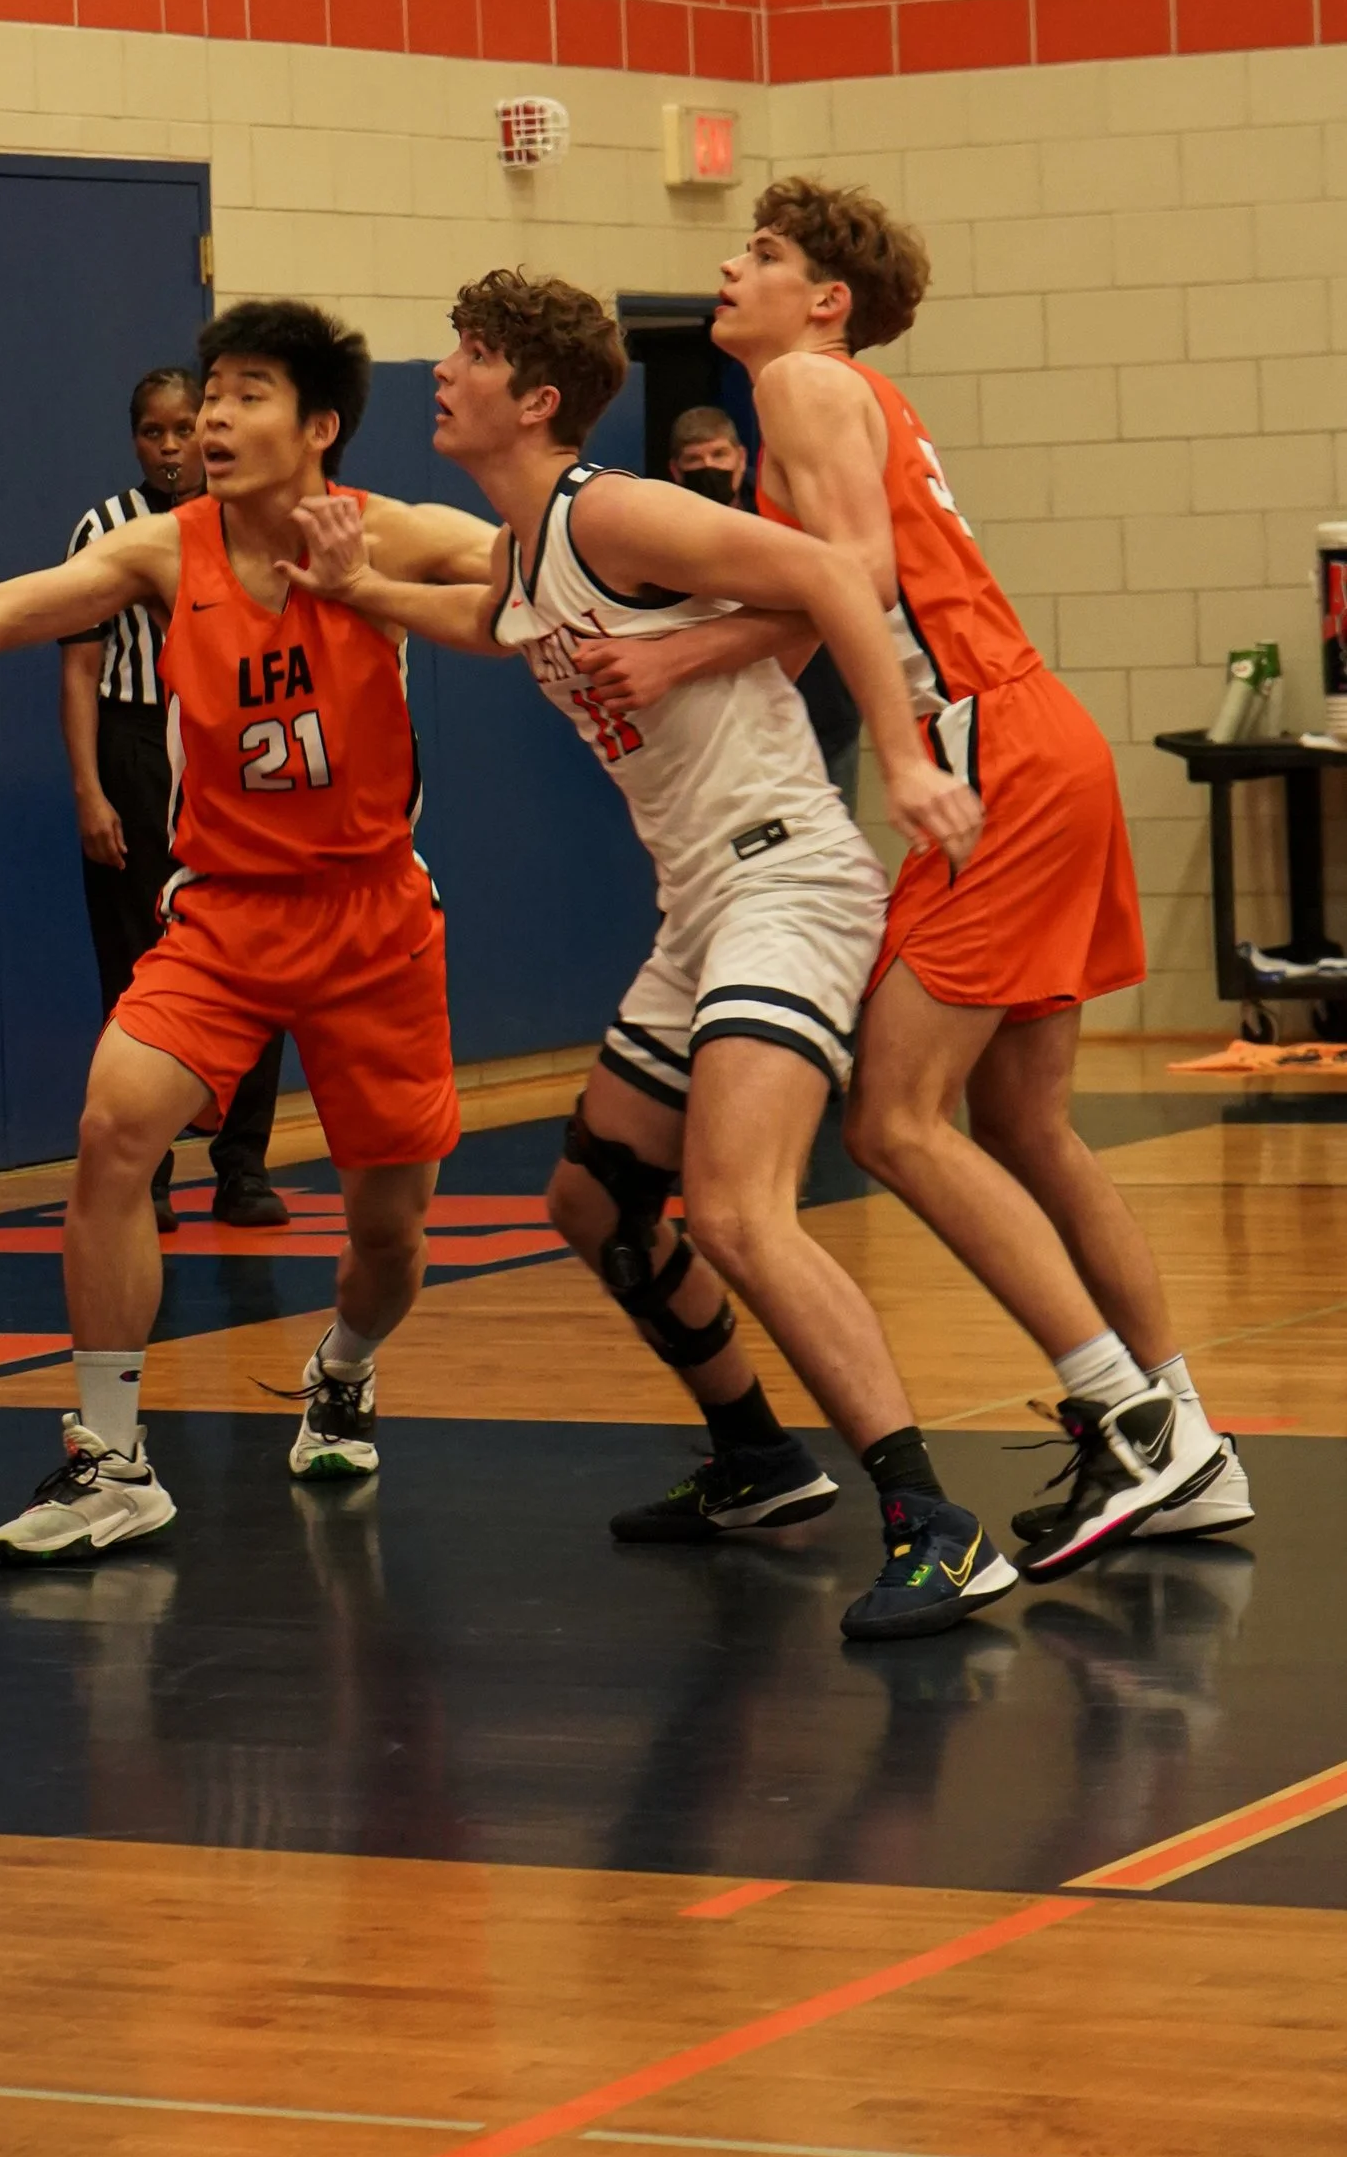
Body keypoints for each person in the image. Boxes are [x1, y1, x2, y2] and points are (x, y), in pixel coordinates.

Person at [293, 268, 1019, 1645]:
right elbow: (492, 624)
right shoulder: (525, 551)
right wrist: (362, 583)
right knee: (592, 1202)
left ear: (538, 397)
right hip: (702, 907)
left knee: (739, 1210)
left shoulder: (610, 509)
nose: (441, 370)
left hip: (787, 880)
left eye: (468, 354)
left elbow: (826, 576)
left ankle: (936, 1521)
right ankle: (757, 1458)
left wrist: (911, 762)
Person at [0, 299, 491, 1561]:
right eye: (210, 392)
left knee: (388, 1236)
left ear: (319, 427)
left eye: (248, 392)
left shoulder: (390, 534)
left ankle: (345, 1366)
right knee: (111, 1133)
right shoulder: (162, 552)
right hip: (224, 913)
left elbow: (535, 564)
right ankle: (111, 1460)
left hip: (372, 920)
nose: (213, 414)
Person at [705, 178, 1243, 1566]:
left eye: (759, 254)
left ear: (826, 300)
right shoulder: (846, 398)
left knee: (894, 1117)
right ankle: (1184, 1433)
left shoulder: (801, 385)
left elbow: (858, 576)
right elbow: (839, 586)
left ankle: (1135, 1425)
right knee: (1026, 1121)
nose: (729, 267)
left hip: (993, 743)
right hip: (1038, 731)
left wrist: (892, 752)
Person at [62, 366, 288, 1237]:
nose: (170, 447)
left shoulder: (253, 525)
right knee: (136, 964)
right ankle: (146, 1174)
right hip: (133, 746)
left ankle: (243, 1168)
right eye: (153, 432)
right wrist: (89, 788)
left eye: (184, 428)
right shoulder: (105, 529)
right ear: (135, 441)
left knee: (255, 958)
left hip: (229, 745)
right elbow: (78, 670)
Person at [668, 405, 859, 805]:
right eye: (695, 460)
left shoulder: (784, 514)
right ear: (676, 470)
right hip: (728, 726)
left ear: (740, 457)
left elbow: (843, 586)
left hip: (822, 713)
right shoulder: (666, 534)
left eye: (718, 455)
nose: (709, 467)